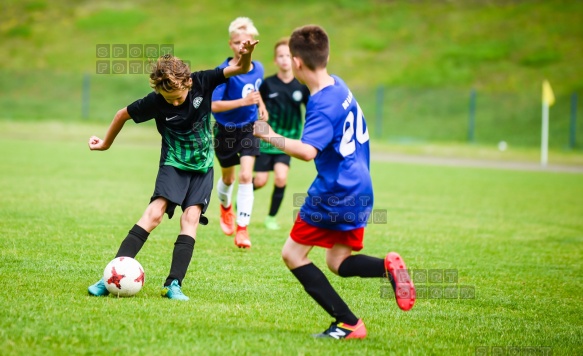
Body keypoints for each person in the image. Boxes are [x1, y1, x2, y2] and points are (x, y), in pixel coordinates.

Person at [253, 25, 416, 339]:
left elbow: (306, 151)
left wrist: (268, 135)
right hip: (360, 189)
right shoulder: (339, 86)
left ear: (298, 62)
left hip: (335, 191)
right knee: (337, 261)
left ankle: (349, 323)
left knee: (293, 255)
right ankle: (387, 266)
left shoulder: (322, 106)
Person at [86, 39, 260, 300]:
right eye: (169, 99)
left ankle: (173, 285)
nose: (175, 103)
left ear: (188, 83)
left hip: (202, 167)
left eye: (178, 97)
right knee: (153, 214)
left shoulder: (203, 80)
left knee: (190, 219)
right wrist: (105, 144)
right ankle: (110, 275)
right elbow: (122, 114)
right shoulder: (155, 101)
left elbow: (239, 68)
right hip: (173, 164)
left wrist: (248, 55)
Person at [212, 17, 268, 249]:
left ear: (253, 43)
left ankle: (243, 230)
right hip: (225, 131)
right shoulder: (222, 72)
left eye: (245, 42)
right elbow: (214, 106)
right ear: (230, 44)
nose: (241, 47)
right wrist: (242, 101)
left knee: (246, 176)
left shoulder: (259, 68)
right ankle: (225, 208)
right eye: (236, 42)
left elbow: (255, 89)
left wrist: (260, 105)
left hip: (248, 127)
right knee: (229, 178)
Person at [253, 37, 309, 231]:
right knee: (260, 181)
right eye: (280, 56)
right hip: (267, 141)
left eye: (288, 55)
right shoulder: (267, 84)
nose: (284, 59)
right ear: (275, 60)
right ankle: (243, 196)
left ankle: (271, 218)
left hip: (287, 141)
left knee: (281, 178)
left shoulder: (301, 85)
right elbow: (256, 106)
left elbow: (311, 110)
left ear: (294, 59)